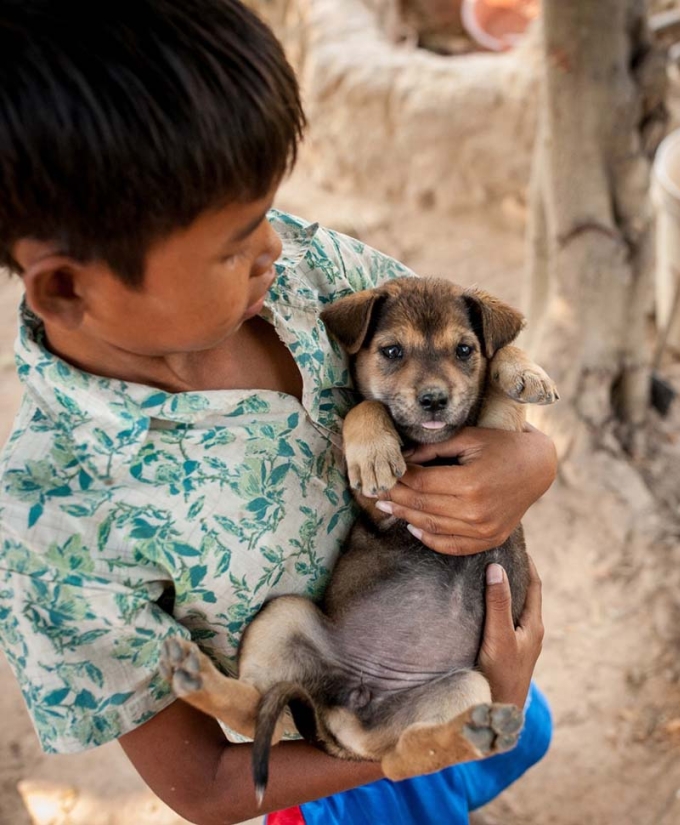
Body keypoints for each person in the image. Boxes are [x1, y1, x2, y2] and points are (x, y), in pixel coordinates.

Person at [0, 2, 557, 824]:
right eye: (234, 243)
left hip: (455, 663)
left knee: (498, 753)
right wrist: (399, 749)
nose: (272, 246)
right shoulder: (56, 523)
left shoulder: (306, 271)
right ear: (66, 287)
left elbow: (459, 352)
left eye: (266, 211)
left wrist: (533, 461)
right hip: (319, 774)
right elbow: (204, 784)